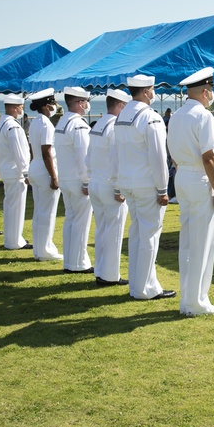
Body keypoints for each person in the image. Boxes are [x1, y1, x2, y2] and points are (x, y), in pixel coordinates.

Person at [168, 67, 214, 316]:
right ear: (204, 91)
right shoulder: (203, 117)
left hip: (182, 176)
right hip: (199, 178)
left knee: (189, 241)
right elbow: (209, 157)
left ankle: (189, 298)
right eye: (211, 90)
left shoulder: (178, 115)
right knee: (202, 242)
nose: (212, 94)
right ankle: (197, 301)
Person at [114, 77, 177, 299]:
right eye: (152, 89)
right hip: (146, 184)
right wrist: (162, 189)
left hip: (128, 182)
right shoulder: (150, 117)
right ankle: (145, 288)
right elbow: (159, 156)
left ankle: (140, 284)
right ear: (145, 91)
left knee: (138, 233)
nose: (153, 92)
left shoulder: (122, 116)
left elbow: (117, 152)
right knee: (149, 235)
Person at [89, 88, 132, 287]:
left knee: (102, 229)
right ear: (121, 106)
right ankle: (110, 275)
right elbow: (117, 160)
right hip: (108, 184)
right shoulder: (115, 126)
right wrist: (118, 188)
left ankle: (101, 270)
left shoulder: (98, 124)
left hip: (95, 183)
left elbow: (87, 158)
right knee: (114, 230)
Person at [54, 86, 93, 273]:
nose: (87, 105)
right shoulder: (79, 125)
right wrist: (86, 181)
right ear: (79, 103)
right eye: (86, 101)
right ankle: (79, 262)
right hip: (77, 180)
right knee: (80, 221)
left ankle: (69, 261)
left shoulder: (62, 123)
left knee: (70, 219)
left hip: (65, 178)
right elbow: (83, 156)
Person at [27, 88, 63, 262]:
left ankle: (39, 248)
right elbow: (46, 151)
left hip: (35, 167)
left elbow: (32, 148)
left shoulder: (35, 122)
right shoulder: (46, 124)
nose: (55, 106)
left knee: (39, 211)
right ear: (47, 105)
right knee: (47, 212)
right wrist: (54, 177)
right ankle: (45, 250)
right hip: (44, 169)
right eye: (53, 103)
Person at [0, 94, 31, 251]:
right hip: (15, 172)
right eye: (21, 108)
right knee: (16, 208)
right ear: (14, 107)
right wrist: (26, 172)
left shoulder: (2, 123)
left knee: (10, 206)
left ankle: (12, 238)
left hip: (7, 170)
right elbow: (19, 152)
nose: (22, 111)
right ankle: (15, 241)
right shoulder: (13, 126)